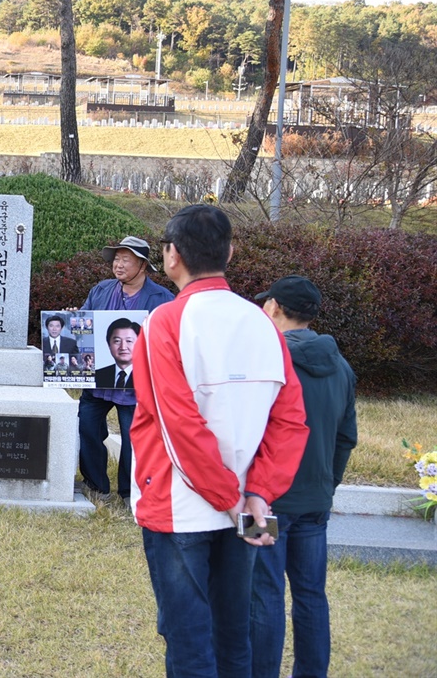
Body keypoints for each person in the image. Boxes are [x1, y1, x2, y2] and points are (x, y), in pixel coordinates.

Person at [130, 205, 308, 678]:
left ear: (171, 256)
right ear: (229, 251)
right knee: (234, 638)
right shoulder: (264, 325)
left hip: (182, 508)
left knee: (189, 640)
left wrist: (232, 499)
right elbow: (290, 423)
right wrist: (257, 494)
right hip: (247, 507)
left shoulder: (164, 324)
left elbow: (178, 428)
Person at [249, 275, 357, 678]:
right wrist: (327, 485)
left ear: (274, 306)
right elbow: (346, 437)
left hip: (267, 497)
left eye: (265, 304)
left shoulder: (267, 360)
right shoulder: (341, 367)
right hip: (315, 499)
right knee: (312, 595)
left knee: (264, 594)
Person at [77, 236, 176, 502]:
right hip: (98, 380)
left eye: (126, 260)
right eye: (116, 259)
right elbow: (85, 321)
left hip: (137, 385)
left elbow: (170, 340)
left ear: (143, 265)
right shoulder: (101, 290)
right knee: (88, 430)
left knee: (135, 441)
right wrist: (73, 320)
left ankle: (129, 493)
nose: (118, 265)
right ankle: (96, 485)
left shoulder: (162, 298)